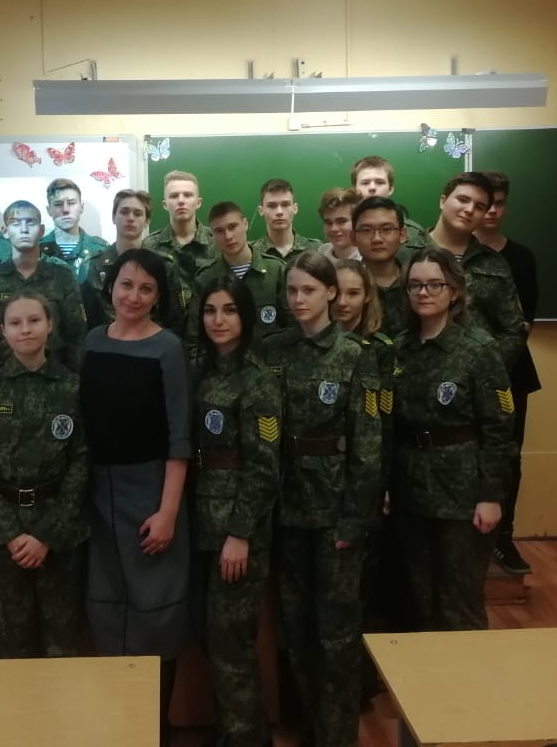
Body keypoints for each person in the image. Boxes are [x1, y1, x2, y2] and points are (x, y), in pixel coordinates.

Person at [263, 251, 386, 747]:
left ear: (331, 293)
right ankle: (312, 726)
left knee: (337, 632)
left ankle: (337, 736)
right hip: (286, 508)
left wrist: (355, 519)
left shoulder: (356, 355)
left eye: (309, 290)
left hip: (336, 510)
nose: (299, 299)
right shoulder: (273, 350)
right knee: (295, 629)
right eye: (292, 290)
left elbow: (369, 446)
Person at [80, 248, 192, 743]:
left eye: (146, 288)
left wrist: (168, 512)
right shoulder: (91, 341)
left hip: (152, 495)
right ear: (111, 288)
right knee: (106, 611)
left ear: (158, 296)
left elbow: (179, 437)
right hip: (97, 497)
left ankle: (156, 730)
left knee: (156, 614)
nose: (134, 296)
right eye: (126, 284)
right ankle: (119, 728)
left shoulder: (167, 347)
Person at [391, 247, 515, 631]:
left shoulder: (479, 349)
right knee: (417, 601)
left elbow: (499, 429)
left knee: (459, 602)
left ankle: (469, 672)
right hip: (411, 489)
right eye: (415, 285)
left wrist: (491, 496)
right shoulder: (400, 348)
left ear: (455, 291)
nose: (423, 293)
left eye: (434, 284)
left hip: (463, 492)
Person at [0, 293, 89, 657]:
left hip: (58, 534)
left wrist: (46, 535)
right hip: (3, 538)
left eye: (34, 320)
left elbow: (82, 464)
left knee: (61, 642)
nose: (25, 329)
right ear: (2, 331)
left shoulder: (73, 386)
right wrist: (9, 534)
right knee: (8, 643)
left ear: (51, 325)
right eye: (15, 323)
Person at [189, 275, 281, 747]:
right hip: (199, 524)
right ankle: (237, 732)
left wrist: (241, 533)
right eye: (210, 311)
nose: (218, 320)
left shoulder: (258, 380)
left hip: (237, 532)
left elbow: (264, 467)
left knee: (232, 643)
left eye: (228, 310)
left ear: (245, 316)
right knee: (209, 636)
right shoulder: (199, 371)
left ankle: (247, 740)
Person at [475, 170, 543, 574]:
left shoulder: (520, 258)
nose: (490, 212)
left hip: (510, 373)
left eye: (498, 204)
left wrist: (490, 368)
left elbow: (524, 323)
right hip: (455, 376)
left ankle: (503, 539)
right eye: (484, 204)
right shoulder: (446, 255)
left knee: (508, 456)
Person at [400, 173, 527, 371]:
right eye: (463, 199)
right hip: (412, 374)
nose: (469, 210)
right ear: (443, 201)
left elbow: (513, 330)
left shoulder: (494, 264)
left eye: (479, 207)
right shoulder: (405, 255)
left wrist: (483, 367)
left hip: (477, 379)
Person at [0, 200, 87, 370]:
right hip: (0, 377)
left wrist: (73, 378)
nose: (24, 229)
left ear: (41, 230)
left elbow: (76, 335)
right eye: (15, 223)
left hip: (53, 376)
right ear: (5, 231)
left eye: (31, 222)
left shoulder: (61, 276)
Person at [84, 188, 188, 333]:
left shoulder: (164, 264)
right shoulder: (94, 264)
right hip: (106, 342)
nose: (130, 218)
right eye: (124, 212)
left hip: (152, 343)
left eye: (138, 213)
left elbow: (174, 319)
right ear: (113, 217)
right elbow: (89, 318)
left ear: (147, 221)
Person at [188, 201, 288, 348]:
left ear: (245, 224)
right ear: (212, 235)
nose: (228, 236)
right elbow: (194, 338)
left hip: (269, 360)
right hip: (222, 361)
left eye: (233, 227)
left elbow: (293, 329)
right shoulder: (205, 279)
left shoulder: (277, 271)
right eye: (219, 231)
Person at [144, 169, 218, 288]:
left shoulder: (216, 241)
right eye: (174, 196)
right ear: (165, 205)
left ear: (198, 203)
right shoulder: (149, 245)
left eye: (187, 195)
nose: (181, 200)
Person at [354, 196, 409, 338]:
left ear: (402, 235)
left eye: (387, 229)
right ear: (353, 238)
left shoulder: (417, 284)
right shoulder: (344, 288)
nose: (377, 239)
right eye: (366, 230)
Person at [40, 178, 109, 283]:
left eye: (71, 203)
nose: (65, 210)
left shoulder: (101, 250)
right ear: (49, 210)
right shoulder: (36, 250)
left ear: (81, 207)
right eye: (58, 204)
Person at [350, 155, 427, 245]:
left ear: (390, 189)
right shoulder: (342, 230)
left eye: (380, 182)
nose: (372, 187)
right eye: (365, 183)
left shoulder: (414, 233)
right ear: (355, 190)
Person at [252, 177, 321, 261]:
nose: (279, 212)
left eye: (285, 205)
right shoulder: (251, 253)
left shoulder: (317, 250)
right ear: (261, 211)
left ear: (295, 208)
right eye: (272, 206)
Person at [332, 259, 381, 342]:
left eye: (353, 293)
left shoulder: (378, 346)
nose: (342, 302)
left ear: (367, 296)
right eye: (336, 292)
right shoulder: (313, 340)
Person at [317, 187, 362, 261]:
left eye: (342, 221)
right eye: (328, 222)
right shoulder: (321, 253)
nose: (333, 229)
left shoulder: (369, 261)